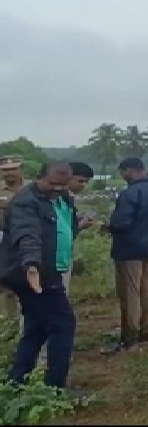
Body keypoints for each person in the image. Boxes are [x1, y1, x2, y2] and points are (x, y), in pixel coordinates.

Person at [0, 162, 78, 391]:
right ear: (40, 177)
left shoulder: (63, 199)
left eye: (63, 185)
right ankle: (55, 387)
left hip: (48, 270)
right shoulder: (26, 201)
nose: (57, 188)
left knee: (37, 327)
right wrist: (31, 266)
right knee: (64, 324)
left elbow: (60, 229)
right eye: (53, 184)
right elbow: (27, 234)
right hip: (34, 273)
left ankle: (17, 381)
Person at [104, 157, 148, 353]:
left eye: (123, 173)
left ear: (130, 171)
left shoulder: (129, 193)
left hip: (129, 249)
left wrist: (108, 226)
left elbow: (120, 223)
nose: (123, 177)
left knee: (129, 292)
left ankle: (129, 337)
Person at [0, 155, 29, 327]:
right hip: (3, 238)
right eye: (5, 170)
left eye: (13, 169)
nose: (9, 173)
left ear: (20, 169)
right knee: (5, 282)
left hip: (27, 238)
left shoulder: (32, 188)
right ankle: (9, 323)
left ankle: (26, 320)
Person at [64, 162, 97, 292]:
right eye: (80, 181)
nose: (83, 185)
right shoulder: (61, 198)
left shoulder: (69, 198)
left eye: (86, 182)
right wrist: (80, 225)